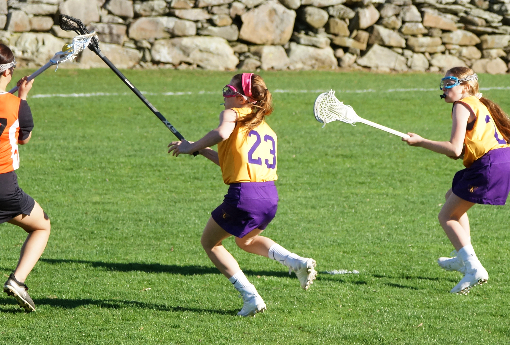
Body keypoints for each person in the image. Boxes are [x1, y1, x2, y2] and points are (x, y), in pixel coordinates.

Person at [168, 73, 317, 316]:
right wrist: (201, 149)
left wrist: (189, 147)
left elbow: (222, 134)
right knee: (245, 240)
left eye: (228, 90)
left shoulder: (232, 115)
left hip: (244, 196)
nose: (224, 96)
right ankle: (296, 262)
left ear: (242, 98)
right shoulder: (264, 127)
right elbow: (234, 164)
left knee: (210, 243)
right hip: (269, 197)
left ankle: (251, 298)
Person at [403, 66, 510, 294]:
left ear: (466, 87)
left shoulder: (461, 105)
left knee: (447, 216)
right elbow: (464, 148)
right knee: (451, 197)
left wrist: (421, 142)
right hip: (500, 159)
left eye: (450, 82)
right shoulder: (478, 103)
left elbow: (454, 149)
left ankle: (473, 267)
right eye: (443, 82)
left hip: (489, 164)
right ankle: (463, 258)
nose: (445, 87)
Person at [0, 44, 51, 312]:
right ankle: (18, 280)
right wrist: (22, 96)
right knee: (41, 226)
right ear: (8, 71)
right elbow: (25, 138)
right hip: (3, 187)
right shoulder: (17, 105)